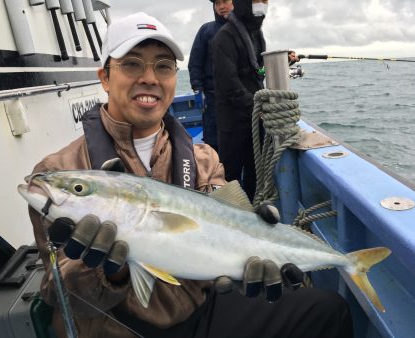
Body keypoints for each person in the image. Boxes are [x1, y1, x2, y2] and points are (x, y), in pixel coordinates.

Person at [28, 12, 353, 338]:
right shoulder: (56, 172)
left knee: (327, 310)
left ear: (174, 78)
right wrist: (107, 272)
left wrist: (251, 255)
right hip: (117, 328)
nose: (150, 78)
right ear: (105, 77)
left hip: (202, 309)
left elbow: (223, 231)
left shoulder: (202, 157)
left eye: (164, 66)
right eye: (132, 64)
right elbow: (58, 293)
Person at [212, 0, 269, 201]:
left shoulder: (257, 35)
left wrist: (280, 62)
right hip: (232, 122)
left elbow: (259, 71)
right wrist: (259, 108)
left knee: (256, 171)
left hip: (254, 119)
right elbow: (230, 87)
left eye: (265, 1)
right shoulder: (223, 38)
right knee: (231, 176)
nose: (262, 4)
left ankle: (254, 208)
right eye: (257, 1)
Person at [188, 0, 234, 151]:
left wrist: (284, 61)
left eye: (225, 1)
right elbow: (195, 63)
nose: (221, 7)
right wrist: (197, 89)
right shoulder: (206, 30)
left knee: (244, 142)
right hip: (213, 100)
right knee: (214, 142)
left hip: (241, 100)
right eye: (217, 3)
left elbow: (258, 67)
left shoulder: (248, 31)